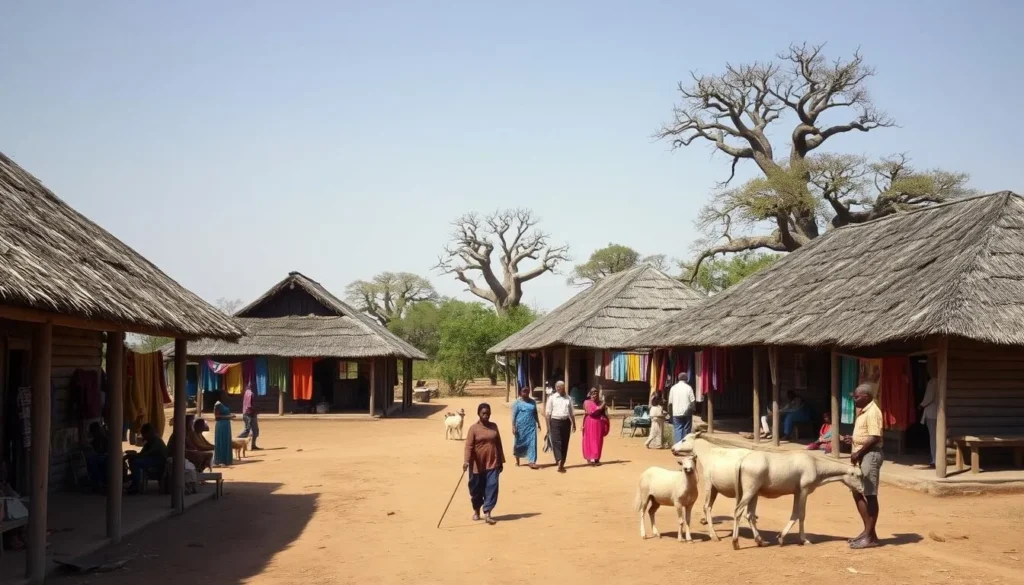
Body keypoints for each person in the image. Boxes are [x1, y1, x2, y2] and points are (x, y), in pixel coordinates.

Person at [842, 383, 884, 549]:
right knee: (856, 491)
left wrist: (858, 453)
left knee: (869, 493)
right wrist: (852, 440)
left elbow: (874, 437)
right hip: (861, 455)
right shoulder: (864, 411)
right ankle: (869, 533)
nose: (854, 399)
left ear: (866, 397)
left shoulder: (873, 412)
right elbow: (866, 435)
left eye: (856, 397)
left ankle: (869, 536)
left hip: (870, 456)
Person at [463, 403, 505, 525]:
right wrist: (466, 461)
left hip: (492, 462)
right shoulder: (473, 429)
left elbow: (498, 444)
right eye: (483, 413)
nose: (486, 415)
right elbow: (468, 446)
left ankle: (487, 513)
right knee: (476, 489)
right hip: (477, 465)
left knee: (492, 487)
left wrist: (501, 461)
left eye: (488, 413)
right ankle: (476, 511)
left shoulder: (494, 427)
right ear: (479, 414)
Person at [126, 423, 168, 494]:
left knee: (135, 463)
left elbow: (147, 454)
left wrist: (134, 456)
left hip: (159, 462)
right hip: (152, 460)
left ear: (149, 433)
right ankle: (135, 483)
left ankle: (136, 486)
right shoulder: (149, 442)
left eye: (144, 434)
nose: (143, 436)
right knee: (132, 460)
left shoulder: (156, 441)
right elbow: (142, 454)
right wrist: (133, 455)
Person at [545, 381, 575, 473]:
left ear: (564, 387)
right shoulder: (552, 398)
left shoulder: (568, 398)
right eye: (558, 387)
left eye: (561, 387)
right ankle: (559, 460)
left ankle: (562, 461)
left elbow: (571, 412)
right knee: (556, 441)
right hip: (555, 421)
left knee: (565, 442)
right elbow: (547, 414)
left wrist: (574, 423)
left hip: (566, 422)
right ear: (555, 387)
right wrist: (548, 427)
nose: (559, 388)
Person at [511, 386, 541, 469]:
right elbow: (514, 416)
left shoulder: (532, 402)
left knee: (532, 443)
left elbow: (535, 413)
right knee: (519, 442)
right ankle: (517, 459)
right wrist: (513, 426)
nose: (525, 393)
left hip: (531, 426)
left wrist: (538, 423)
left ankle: (532, 461)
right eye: (524, 391)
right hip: (520, 427)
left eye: (527, 392)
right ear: (520, 393)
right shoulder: (517, 403)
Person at [581, 388, 609, 465]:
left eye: (596, 394)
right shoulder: (587, 402)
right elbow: (592, 412)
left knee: (598, 440)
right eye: (593, 394)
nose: (595, 396)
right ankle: (589, 458)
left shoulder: (600, 403)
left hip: (598, 424)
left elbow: (604, 413)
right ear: (590, 395)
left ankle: (596, 458)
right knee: (589, 440)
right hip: (589, 423)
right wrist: (602, 405)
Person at [919, 359, 938, 468]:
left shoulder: (933, 381)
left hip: (932, 413)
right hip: (937, 412)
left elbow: (929, 398)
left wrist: (920, 405)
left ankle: (934, 459)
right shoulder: (940, 380)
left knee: (933, 437)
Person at [667, 373, 695, 444]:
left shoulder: (673, 388)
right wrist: (693, 410)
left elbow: (670, 403)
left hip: (676, 412)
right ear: (686, 379)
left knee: (678, 429)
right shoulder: (689, 388)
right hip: (687, 412)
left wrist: (670, 413)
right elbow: (692, 401)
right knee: (687, 430)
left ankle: (678, 446)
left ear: (678, 379)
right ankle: (685, 446)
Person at [237, 383, 262, 450]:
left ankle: (252, 445)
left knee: (248, 430)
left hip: (246, 414)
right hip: (250, 414)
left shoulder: (246, 393)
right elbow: (249, 406)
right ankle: (236, 440)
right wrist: (256, 410)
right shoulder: (251, 394)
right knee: (253, 430)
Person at [213, 397, 236, 467]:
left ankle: (226, 460)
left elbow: (225, 413)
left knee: (226, 442)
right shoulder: (217, 404)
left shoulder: (223, 404)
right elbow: (217, 417)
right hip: (221, 426)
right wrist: (229, 417)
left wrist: (230, 415)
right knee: (221, 441)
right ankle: (220, 460)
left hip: (226, 426)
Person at [85, 421, 109, 488]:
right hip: (101, 457)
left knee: (92, 460)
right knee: (91, 460)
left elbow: (105, 451)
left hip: (106, 457)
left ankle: (98, 483)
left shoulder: (104, 438)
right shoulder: (95, 440)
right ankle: (97, 482)